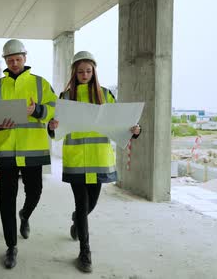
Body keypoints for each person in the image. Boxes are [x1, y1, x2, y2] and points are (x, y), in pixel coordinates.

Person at [48, 51, 141, 273]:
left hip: (99, 158)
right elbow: (56, 129)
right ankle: (85, 252)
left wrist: (135, 131)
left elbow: (120, 124)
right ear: (74, 72)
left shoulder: (105, 95)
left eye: (88, 71)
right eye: (80, 71)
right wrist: (51, 127)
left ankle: (76, 220)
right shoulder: (66, 97)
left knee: (92, 204)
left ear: (94, 72)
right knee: (82, 204)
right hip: (77, 159)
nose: (84, 74)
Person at [0, 39, 57, 269]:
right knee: (6, 199)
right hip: (7, 150)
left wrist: (36, 110)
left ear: (25, 59)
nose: (14, 63)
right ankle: (11, 246)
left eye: (18, 59)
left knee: (34, 192)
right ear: (5, 60)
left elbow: (54, 108)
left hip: (33, 149)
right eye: (10, 59)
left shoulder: (40, 84)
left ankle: (24, 215)